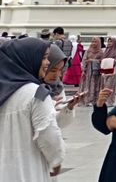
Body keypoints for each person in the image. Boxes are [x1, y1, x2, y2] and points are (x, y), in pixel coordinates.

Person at [0, 37, 65, 180]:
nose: (47, 63)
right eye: (44, 58)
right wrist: (56, 160)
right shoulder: (37, 93)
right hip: (27, 171)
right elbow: (48, 134)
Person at [44, 44, 83, 129]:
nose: (58, 75)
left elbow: (59, 124)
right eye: (53, 70)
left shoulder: (57, 87)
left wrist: (68, 108)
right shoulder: (29, 89)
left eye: (60, 70)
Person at [79, 36, 104, 106]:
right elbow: (84, 60)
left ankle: (93, 100)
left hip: (96, 72)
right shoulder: (88, 51)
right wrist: (83, 70)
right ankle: (86, 100)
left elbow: (102, 61)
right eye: (92, 41)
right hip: (87, 72)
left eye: (95, 42)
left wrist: (92, 60)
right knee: (86, 85)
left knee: (94, 85)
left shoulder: (100, 52)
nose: (93, 43)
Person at [100, 36, 116, 106]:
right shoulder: (105, 50)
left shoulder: (115, 51)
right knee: (104, 86)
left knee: (109, 86)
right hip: (104, 71)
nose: (109, 43)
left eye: (111, 41)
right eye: (108, 41)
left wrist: (111, 61)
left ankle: (110, 101)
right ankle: (103, 101)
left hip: (112, 71)